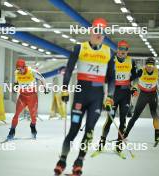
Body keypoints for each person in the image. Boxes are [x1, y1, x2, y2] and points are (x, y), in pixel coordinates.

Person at [54, 18, 115, 176]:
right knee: (74, 130)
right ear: (91, 31)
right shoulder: (79, 48)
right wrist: (65, 89)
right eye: (96, 31)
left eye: (102, 32)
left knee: (89, 132)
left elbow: (112, 78)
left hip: (97, 97)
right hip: (80, 96)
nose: (99, 35)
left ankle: (79, 162)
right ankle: (62, 160)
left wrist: (110, 97)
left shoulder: (109, 52)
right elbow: (68, 70)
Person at [97, 40, 138, 154]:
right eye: (120, 49)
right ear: (117, 50)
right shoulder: (111, 61)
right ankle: (102, 142)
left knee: (123, 120)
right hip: (113, 93)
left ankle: (119, 144)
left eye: (124, 49)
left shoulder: (131, 62)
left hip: (125, 94)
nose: (122, 51)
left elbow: (134, 78)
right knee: (110, 119)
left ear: (127, 51)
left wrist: (134, 87)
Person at [123, 57, 159, 146]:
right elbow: (134, 79)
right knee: (135, 115)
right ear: (145, 65)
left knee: (154, 113)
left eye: (151, 65)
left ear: (154, 66)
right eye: (148, 65)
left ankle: (157, 135)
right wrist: (134, 88)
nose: (149, 67)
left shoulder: (157, 72)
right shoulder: (141, 71)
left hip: (153, 94)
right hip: (143, 94)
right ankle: (125, 134)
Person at [7, 58, 48, 140]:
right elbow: (16, 82)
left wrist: (45, 88)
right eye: (17, 69)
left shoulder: (32, 72)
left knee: (33, 116)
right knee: (16, 114)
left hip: (32, 97)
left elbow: (42, 79)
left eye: (20, 69)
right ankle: (12, 131)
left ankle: (32, 126)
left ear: (24, 67)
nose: (19, 71)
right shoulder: (17, 73)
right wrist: (15, 87)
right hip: (22, 96)